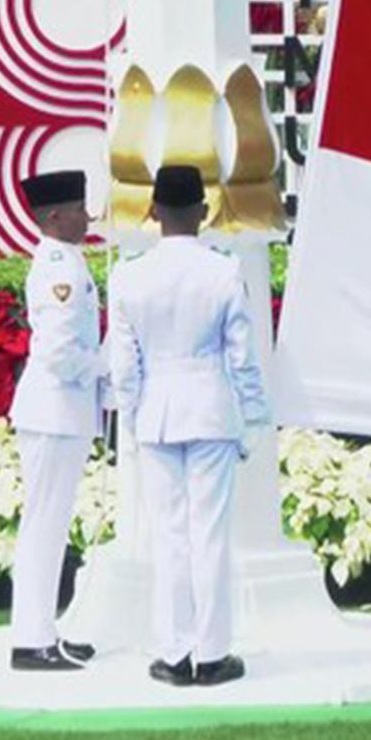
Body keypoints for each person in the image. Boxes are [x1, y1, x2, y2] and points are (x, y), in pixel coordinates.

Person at [109, 165, 271, 687]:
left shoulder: (128, 274)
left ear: (154, 212)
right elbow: (243, 358)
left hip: (157, 411)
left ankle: (173, 653)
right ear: (203, 212)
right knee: (209, 535)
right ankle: (212, 653)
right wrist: (255, 417)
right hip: (210, 408)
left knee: (169, 536)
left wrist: (131, 420)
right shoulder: (223, 271)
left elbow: (123, 364)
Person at [8, 170, 104, 671]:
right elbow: (61, 353)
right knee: (43, 527)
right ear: (53, 217)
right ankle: (31, 640)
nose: (87, 215)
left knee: (50, 525)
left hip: (60, 413)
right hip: (53, 412)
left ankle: (45, 630)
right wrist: (105, 366)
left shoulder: (66, 260)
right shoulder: (58, 268)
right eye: (77, 207)